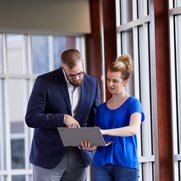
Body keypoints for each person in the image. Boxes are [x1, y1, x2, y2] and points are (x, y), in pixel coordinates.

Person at [25, 49, 100, 181]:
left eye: (79, 73)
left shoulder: (92, 83)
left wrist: (93, 142)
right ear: (63, 68)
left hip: (80, 157)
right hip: (48, 157)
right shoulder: (44, 82)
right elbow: (31, 117)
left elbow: (94, 118)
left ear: (82, 63)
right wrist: (62, 118)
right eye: (71, 75)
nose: (77, 78)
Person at [81, 54, 145, 181]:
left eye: (115, 81)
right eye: (108, 79)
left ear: (125, 82)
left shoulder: (133, 103)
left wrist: (104, 132)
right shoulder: (101, 109)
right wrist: (89, 145)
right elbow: (98, 140)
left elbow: (133, 129)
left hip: (125, 163)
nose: (110, 84)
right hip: (101, 164)